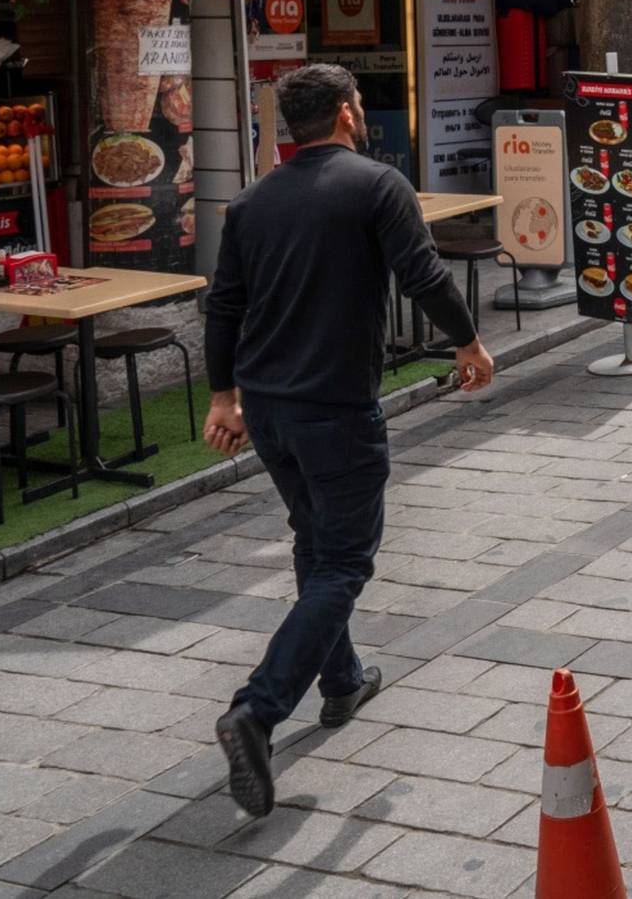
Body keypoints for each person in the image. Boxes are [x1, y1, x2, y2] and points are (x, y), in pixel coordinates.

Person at [202, 63, 497, 818]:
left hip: (268, 410)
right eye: (359, 102)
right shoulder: (376, 184)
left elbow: (224, 307)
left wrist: (223, 395)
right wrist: (468, 343)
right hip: (334, 406)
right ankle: (257, 710)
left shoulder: (249, 204)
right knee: (343, 560)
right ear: (342, 112)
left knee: (313, 538)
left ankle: (342, 681)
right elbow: (422, 273)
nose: (363, 112)